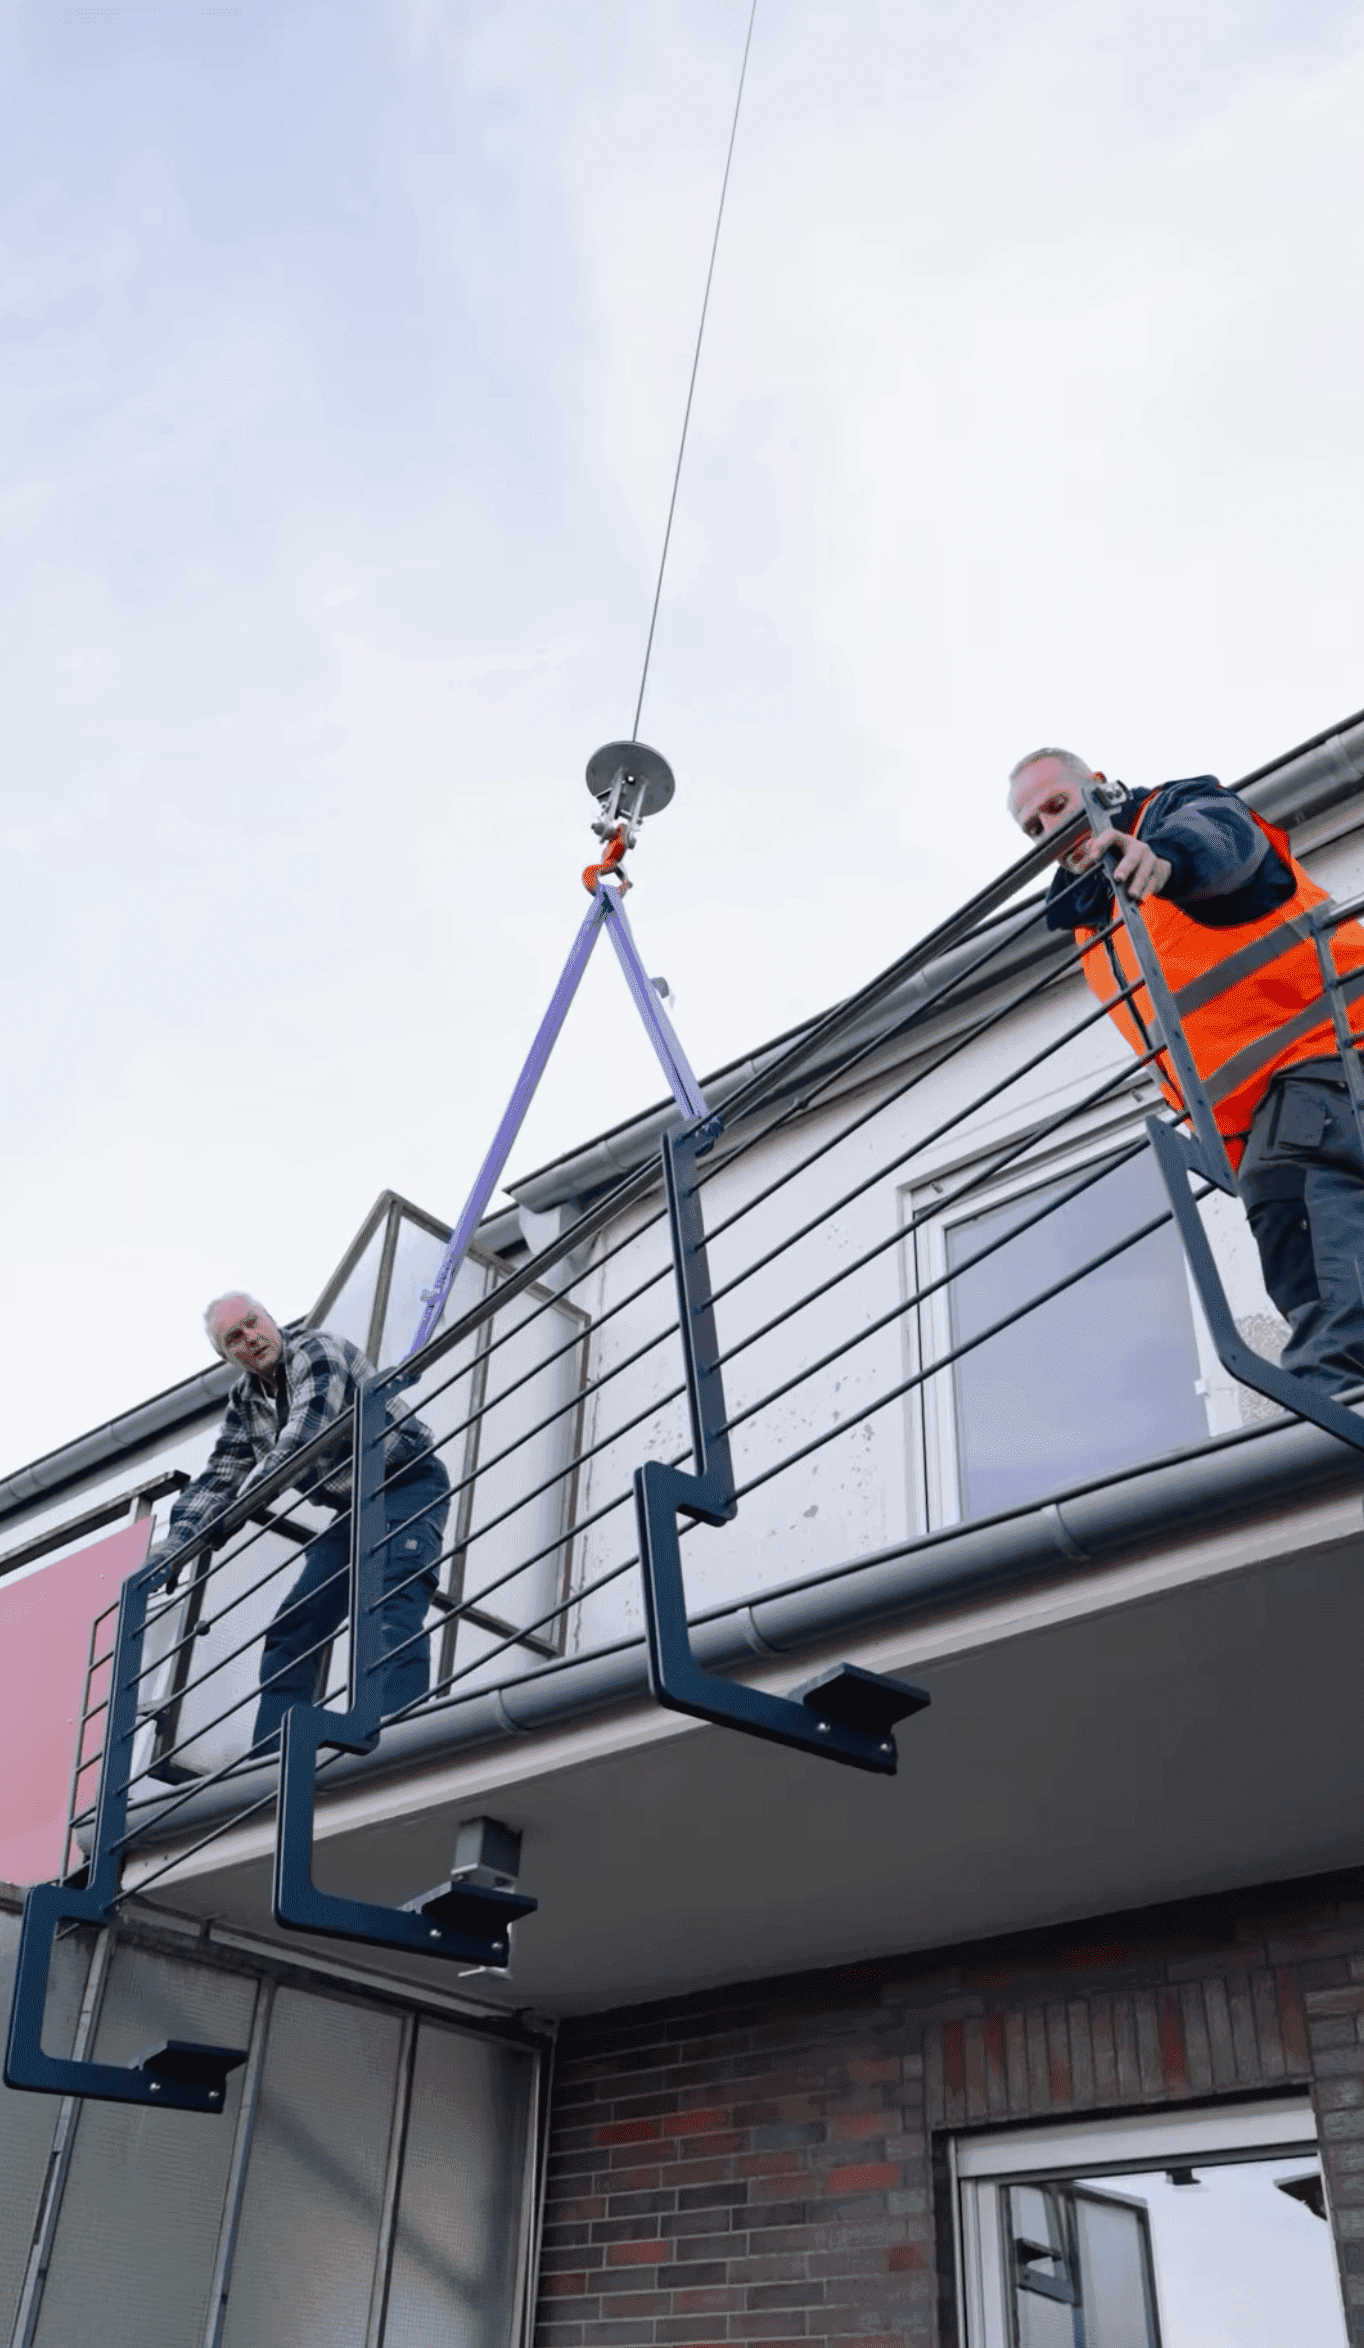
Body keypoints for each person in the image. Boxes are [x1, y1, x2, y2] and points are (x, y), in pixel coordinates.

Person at [1007, 748, 1364, 1397]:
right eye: (1033, 830)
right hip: (1269, 1108)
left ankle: (1334, 1411)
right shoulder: (1093, 925)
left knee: (1297, 1208)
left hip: (1332, 1046)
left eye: (1056, 808)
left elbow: (1226, 843)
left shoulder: (1170, 814)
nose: (1050, 834)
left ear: (1096, 786)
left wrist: (1169, 861)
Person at [147, 1294, 451, 1749]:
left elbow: (300, 1441)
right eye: (234, 1337)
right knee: (295, 1624)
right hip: (356, 1507)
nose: (250, 1338)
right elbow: (217, 1480)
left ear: (271, 1319)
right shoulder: (246, 1400)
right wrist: (172, 1551)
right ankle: (272, 1754)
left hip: (408, 1483)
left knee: (392, 1600)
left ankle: (397, 1735)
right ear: (226, 1355)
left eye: (253, 1323)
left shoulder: (317, 1351)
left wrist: (224, 1524)